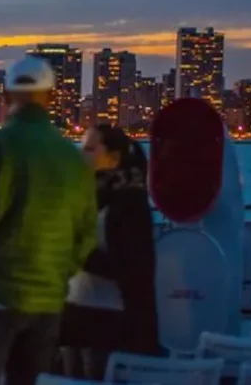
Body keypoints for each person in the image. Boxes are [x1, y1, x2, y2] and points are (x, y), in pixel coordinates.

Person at [0, 56, 97, 385]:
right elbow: (86, 234)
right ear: (52, 97)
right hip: (47, 300)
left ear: (5, 97)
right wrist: (57, 273)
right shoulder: (73, 159)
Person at [61, 125, 159, 379]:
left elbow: (136, 269)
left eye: (91, 149)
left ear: (114, 157)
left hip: (110, 319)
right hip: (72, 310)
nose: (81, 155)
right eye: (81, 147)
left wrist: (79, 253)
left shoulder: (129, 203)